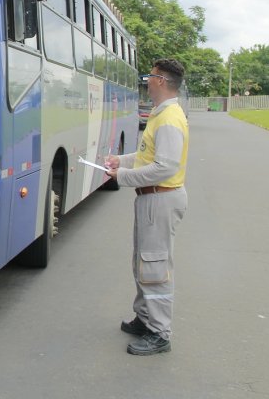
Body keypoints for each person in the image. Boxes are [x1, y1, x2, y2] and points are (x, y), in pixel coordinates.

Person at [105, 58, 189, 355]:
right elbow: (147, 155)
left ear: (162, 82)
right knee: (143, 261)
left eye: (150, 76)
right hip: (152, 198)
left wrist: (122, 176)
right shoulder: (161, 114)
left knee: (155, 266)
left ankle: (160, 332)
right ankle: (145, 318)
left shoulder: (169, 118)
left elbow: (165, 167)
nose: (147, 80)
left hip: (160, 196)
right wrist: (122, 161)